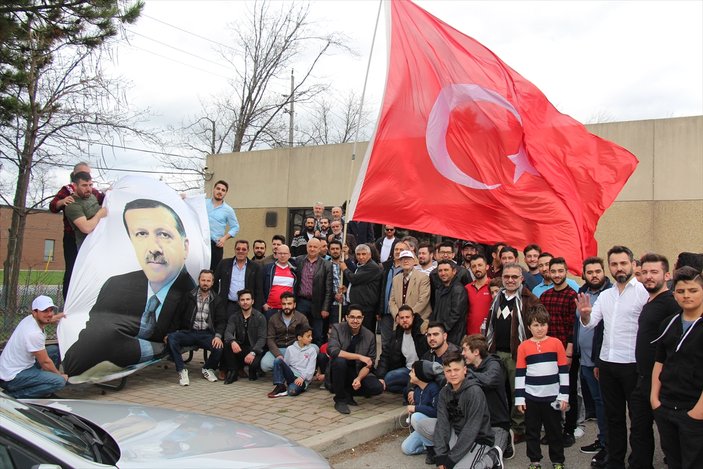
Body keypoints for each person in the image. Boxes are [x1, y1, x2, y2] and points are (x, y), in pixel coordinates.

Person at [63, 198, 195, 378]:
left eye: (163, 234)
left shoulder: (192, 294)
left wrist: (114, 347)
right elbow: (85, 347)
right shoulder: (115, 286)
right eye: (141, 234)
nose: (153, 248)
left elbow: (181, 338)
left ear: (185, 247)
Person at [577, 245, 648, 469]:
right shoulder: (606, 296)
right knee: (613, 418)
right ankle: (615, 461)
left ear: (633, 264)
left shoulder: (643, 293)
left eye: (623, 263)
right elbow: (590, 324)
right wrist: (585, 316)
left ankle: (640, 463)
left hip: (633, 366)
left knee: (639, 421)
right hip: (608, 365)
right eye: (614, 264)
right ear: (610, 267)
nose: (619, 268)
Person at [629, 253, 681, 469]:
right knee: (639, 430)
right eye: (645, 272)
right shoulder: (649, 302)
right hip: (642, 378)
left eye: (654, 272)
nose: (648, 277)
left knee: (670, 435)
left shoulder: (672, 303)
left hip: (662, 381)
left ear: (666, 275)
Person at [651, 266, 703, 469]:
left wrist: (698, 412)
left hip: (694, 410)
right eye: (681, 291)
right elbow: (659, 362)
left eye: (693, 290)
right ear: (674, 295)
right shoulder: (668, 323)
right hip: (666, 407)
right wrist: (654, 399)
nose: (686, 295)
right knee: (673, 462)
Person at [415, 351, 503, 469]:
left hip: (477, 439)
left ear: (465, 370)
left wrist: (451, 459)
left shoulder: (474, 392)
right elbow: (442, 424)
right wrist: (441, 457)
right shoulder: (444, 393)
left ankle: (493, 457)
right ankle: (454, 453)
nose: (453, 374)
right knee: (422, 424)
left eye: (456, 370)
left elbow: (471, 430)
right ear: (444, 373)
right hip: (456, 433)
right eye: (448, 371)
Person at [485, 262, 541, 443]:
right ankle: (501, 424)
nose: (510, 280)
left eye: (514, 277)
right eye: (506, 277)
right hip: (495, 353)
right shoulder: (497, 297)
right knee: (498, 392)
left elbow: (538, 327)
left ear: (521, 279)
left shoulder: (529, 299)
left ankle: (519, 429)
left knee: (518, 392)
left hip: (516, 354)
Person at [515, 305, 569, 469]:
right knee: (532, 431)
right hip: (531, 397)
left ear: (548, 325)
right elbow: (520, 373)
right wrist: (520, 398)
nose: (540, 328)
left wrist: (564, 396)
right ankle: (535, 460)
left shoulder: (556, 343)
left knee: (555, 431)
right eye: (536, 325)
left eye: (543, 324)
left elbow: (564, 371)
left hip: (552, 396)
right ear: (529, 326)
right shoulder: (523, 346)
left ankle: (558, 460)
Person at [574, 256, 611, 467]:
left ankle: (609, 446)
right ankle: (603, 439)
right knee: (598, 404)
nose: (594, 275)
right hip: (585, 360)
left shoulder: (610, 294)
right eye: (590, 272)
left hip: (601, 361)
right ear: (584, 274)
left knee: (606, 404)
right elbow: (577, 323)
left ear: (603, 271)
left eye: (597, 271)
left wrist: (598, 360)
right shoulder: (582, 293)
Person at [538, 257, 579, 447]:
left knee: (568, 391)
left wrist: (569, 351)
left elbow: (574, 326)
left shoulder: (573, 296)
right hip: (548, 351)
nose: (556, 275)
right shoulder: (545, 297)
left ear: (566, 272)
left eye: (560, 271)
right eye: (553, 271)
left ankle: (569, 430)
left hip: (566, 350)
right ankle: (554, 429)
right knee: (550, 391)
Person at [50, 162, 105, 299]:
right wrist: (62, 202)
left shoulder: (92, 193)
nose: (88, 187)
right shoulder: (67, 192)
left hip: (92, 238)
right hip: (72, 236)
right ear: (75, 177)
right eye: (84, 183)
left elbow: (105, 200)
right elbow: (53, 206)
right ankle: (68, 301)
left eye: (90, 183)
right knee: (73, 270)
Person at [166, 269, 227, 385]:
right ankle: (182, 370)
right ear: (198, 280)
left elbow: (221, 321)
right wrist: (170, 332)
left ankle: (207, 368)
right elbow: (177, 316)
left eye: (208, 280)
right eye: (203, 280)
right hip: (189, 332)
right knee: (172, 338)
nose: (205, 283)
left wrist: (218, 336)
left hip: (206, 334)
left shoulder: (217, 300)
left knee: (219, 348)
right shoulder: (189, 296)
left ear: (212, 282)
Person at [0, 296, 67, 398]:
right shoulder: (34, 334)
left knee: (53, 350)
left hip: (9, 369)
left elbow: (46, 319)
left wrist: (57, 317)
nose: (49, 314)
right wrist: (59, 375)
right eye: (45, 311)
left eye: (51, 310)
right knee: (59, 382)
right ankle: (11, 397)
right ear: (35, 312)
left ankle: (44, 389)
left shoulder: (29, 319)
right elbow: (45, 362)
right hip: (12, 378)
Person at [326, 305, 383, 414]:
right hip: (338, 371)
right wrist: (359, 356)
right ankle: (340, 399)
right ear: (346, 317)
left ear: (362, 318)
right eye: (352, 317)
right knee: (339, 361)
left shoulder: (369, 335)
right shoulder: (337, 329)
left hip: (357, 371)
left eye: (358, 317)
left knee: (377, 387)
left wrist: (359, 378)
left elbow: (369, 363)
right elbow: (333, 351)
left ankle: (348, 393)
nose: (355, 320)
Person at [462, 334, 511, 459]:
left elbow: (489, 380)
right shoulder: (468, 366)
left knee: (493, 456)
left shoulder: (494, 364)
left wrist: (468, 374)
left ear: (476, 352)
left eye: (465, 350)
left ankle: (507, 438)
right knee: (473, 455)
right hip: (478, 423)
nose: (462, 353)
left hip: (497, 423)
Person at [376, 305, 428, 394]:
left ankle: (414, 387)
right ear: (398, 319)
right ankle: (411, 389)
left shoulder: (421, 332)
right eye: (402, 318)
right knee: (387, 380)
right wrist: (380, 377)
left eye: (407, 317)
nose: (404, 320)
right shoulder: (396, 335)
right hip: (407, 370)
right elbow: (385, 355)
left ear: (413, 317)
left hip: (421, 371)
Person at [293, 237, 333, 346]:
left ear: (320, 249)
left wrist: (325, 308)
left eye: (315, 247)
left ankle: (316, 360)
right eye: (310, 246)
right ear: (306, 247)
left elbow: (329, 288)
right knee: (300, 332)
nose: (312, 249)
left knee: (317, 334)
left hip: (318, 304)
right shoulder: (298, 261)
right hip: (301, 302)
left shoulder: (326, 265)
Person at [221, 289, 266, 384]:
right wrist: (233, 341)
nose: (245, 302)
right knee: (227, 344)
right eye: (242, 300)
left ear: (252, 301)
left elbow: (262, 339)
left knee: (253, 369)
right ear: (238, 302)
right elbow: (228, 332)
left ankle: (253, 370)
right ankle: (233, 372)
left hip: (255, 349)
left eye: (247, 299)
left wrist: (253, 352)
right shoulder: (234, 317)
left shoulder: (260, 317)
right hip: (240, 348)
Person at [400, 360, 443, 457]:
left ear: (420, 375)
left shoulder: (434, 388)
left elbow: (436, 412)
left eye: (412, 372)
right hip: (422, 429)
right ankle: (428, 446)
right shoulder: (417, 390)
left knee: (416, 416)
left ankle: (431, 450)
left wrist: (416, 408)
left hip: (434, 426)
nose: (409, 374)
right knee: (407, 448)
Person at [261, 292, 310, 373]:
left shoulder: (302, 318)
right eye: (284, 304)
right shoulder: (273, 318)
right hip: (279, 348)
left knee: (315, 348)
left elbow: (306, 337)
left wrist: (298, 351)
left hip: (295, 349)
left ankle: (286, 370)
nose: (286, 306)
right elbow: (270, 339)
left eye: (289, 304)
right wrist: (278, 355)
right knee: (265, 365)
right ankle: (288, 368)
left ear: (294, 305)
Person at [340, 243, 382, 335]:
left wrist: (344, 269)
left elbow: (354, 279)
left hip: (366, 309)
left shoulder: (372, 267)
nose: (361, 257)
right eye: (358, 254)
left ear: (369, 255)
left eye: (363, 254)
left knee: (366, 335)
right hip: (358, 306)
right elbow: (360, 282)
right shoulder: (361, 266)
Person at [214, 239, 264, 312]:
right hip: (227, 305)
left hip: (247, 307)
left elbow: (259, 291)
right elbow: (214, 282)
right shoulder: (224, 264)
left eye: (244, 249)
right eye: (238, 249)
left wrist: (257, 310)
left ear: (248, 251)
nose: (240, 251)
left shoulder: (255, 267)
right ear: (234, 250)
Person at [268, 323, 317, 398]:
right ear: (299, 337)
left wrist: (302, 378)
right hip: (290, 375)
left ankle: (290, 387)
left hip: (301, 379)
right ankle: (280, 386)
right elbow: (286, 365)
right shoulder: (290, 349)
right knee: (278, 360)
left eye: (311, 336)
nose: (311, 338)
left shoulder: (312, 350)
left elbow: (311, 368)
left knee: (292, 391)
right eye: (308, 336)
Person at [63, 171, 108, 251]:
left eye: (90, 185)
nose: (88, 189)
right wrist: (99, 214)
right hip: (86, 248)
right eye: (84, 185)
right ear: (75, 186)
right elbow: (86, 228)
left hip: (101, 242)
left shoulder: (92, 196)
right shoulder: (72, 205)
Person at [389, 250, 432, 329]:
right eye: (402, 259)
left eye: (408, 258)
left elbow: (423, 301)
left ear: (414, 261)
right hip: (400, 323)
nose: (405, 261)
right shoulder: (396, 279)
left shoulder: (423, 278)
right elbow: (392, 300)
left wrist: (409, 316)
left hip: (418, 322)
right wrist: (397, 316)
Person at [430, 259, 468, 346]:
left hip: (453, 336)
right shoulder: (439, 289)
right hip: (441, 333)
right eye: (440, 271)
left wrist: (441, 330)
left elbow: (455, 315)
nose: (443, 273)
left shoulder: (458, 289)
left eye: (446, 270)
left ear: (454, 271)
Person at [206, 180, 239, 270]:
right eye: (218, 189)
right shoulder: (203, 203)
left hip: (216, 245)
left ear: (225, 193)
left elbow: (235, 227)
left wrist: (224, 238)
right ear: (213, 189)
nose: (220, 192)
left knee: (214, 273)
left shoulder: (228, 210)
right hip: (202, 242)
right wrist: (184, 198)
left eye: (223, 190)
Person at [262, 244, 297, 321]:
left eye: (285, 253)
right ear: (276, 255)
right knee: (270, 332)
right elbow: (260, 287)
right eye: (280, 253)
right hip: (270, 309)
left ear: (289, 255)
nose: (282, 255)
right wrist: (264, 303)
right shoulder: (268, 268)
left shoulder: (294, 270)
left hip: (287, 309)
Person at [465, 254, 493, 335]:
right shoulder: (467, 288)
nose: (477, 269)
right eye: (473, 266)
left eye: (480, 265)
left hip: (489, 335)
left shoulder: (494, 286)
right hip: (470, 335)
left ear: (487, 267)